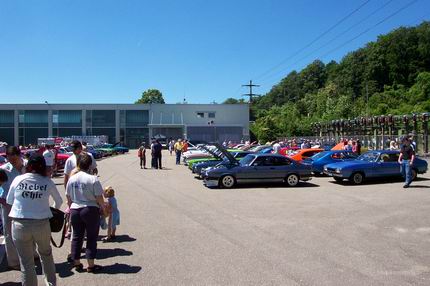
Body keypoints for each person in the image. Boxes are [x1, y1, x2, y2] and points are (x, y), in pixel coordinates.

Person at [7, 154, 63, 286]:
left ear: (28, 166)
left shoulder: (18, 180)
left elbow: (10, 200)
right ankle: (50, 283)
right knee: (46, 255)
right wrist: (50, 210)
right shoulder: (47, 181)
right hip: (41, 223)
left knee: (26, 262)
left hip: (20, 223)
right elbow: (59, 201)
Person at [66, 152, 106, 273]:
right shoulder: (93, 179)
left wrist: (70, 208)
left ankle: (77, 262)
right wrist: (103, 208)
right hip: (90, 209)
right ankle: (91, 264)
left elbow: (68, 196)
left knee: (77, 237)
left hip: (75, 208)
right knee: (91, 237)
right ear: (89, 166)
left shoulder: (72, 179)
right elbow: (99, 197)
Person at [0, 146, 25, 270]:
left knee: (27, 231)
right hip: (8, 205)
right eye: (10, 160)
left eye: (14, 159)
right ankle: (13, 261)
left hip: (26, 204)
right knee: (9, 233)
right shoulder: (4, 169)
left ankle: (32, 254)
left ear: (19, 156)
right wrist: (1, 198)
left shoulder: (27, 167)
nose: (12, 162)